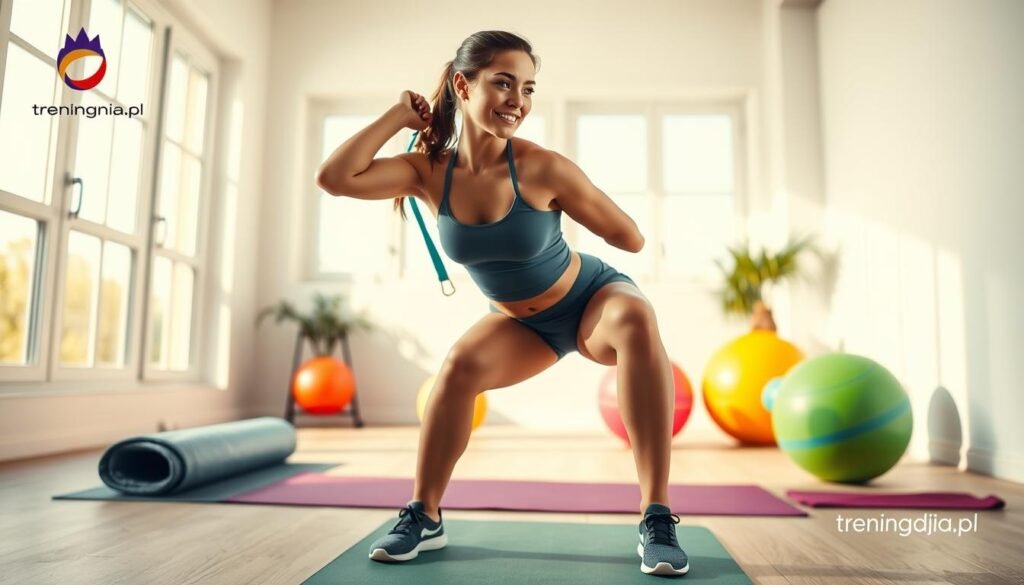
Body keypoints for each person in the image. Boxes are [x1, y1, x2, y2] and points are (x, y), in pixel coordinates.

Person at [315, 30, 689, 577]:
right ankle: (425, 514)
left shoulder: (542, 167)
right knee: (456, 368)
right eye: (504, 83)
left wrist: (578, 199)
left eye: (528, 88)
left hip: (590, 301)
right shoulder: (427, 171)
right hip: (520, 326)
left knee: (635, 315)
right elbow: (334, 178)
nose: (518, 100)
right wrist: (398, 117)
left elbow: (629, 239)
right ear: (463, 86)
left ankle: (656, 516)